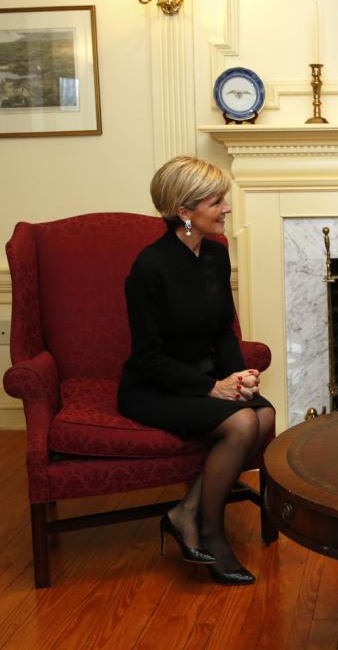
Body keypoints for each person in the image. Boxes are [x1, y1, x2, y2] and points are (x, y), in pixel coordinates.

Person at [118, 155, 275, 586]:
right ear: (184, 212)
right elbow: (148, 357)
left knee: (264, 414)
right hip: (155, 387)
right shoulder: (149, 268)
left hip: (206, 377)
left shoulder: (215, 255)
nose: (226, 208)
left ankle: (184, 512)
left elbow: (222, 328)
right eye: (216, 201)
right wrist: (212, 389)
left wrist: (238, 375)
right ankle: (210, 530)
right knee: (243, 422)